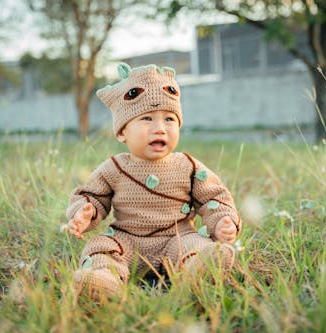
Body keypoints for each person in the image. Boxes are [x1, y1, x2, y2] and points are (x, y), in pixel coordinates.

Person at [66, 63, 241, 299]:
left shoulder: (188, 166)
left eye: (169, 119)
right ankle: (104, 281)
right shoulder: (114, 167)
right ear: (122, 132)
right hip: (127, 241)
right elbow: (92, 196)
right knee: (100, 248)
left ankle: (195, 274)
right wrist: (84, 212)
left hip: (178, 238)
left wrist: (223, 221)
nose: (160, 129)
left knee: (200, 247)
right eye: (147, 118)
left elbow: (213, 196)